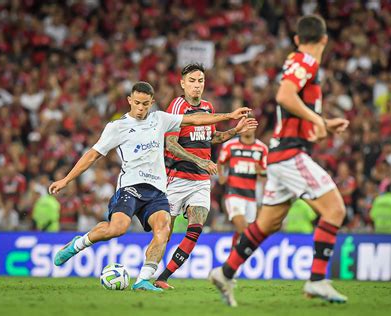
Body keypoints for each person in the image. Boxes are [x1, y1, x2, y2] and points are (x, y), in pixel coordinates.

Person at [49, 81, 255, 292]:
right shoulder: (117, 127)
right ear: (129, 100)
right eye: (137, 103)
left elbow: (195, 119)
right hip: (130, 187)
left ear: (152, 103)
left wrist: (229, 116)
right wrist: (66, 180)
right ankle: (78, 244)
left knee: (163, 229)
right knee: (117, 229)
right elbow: (92, 155)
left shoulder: (160, 119)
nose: (140, 108)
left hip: (156, 190)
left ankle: (143, 280)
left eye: (145, 104)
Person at [209, 15, 350, 307]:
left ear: (298, 38)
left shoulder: (297, 61)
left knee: (266, 225)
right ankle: (317, 280)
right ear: (324, 39)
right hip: (289, 155)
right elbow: (284, 96)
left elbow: (294, 110)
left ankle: (225, 273)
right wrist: (316, 119)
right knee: (334, 210)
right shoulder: (307, 61)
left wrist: (322, 123)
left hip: (280, 155)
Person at [154, 64, 257, 289]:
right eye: (192, 80)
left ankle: (163, 278)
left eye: (200, 81)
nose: (197, 85)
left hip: (201, 181)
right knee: (165, 233)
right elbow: (170, 144)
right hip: (177, 178)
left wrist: (234, 132)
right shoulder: (176, 106)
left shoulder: (209, 107)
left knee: (196, 228)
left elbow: (212, 138)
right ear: (182, 83)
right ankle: (145, 275)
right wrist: (199, 160)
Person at [217, 129, 268, 248]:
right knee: (242, 226)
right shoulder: (230, 145)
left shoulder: (262, 148)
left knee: (245, 232)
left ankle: (233, 256)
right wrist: (221, 176)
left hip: (251, 196)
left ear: (255, 127)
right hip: (233, 194)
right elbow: (220, 162)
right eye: (244, 125)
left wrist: (260, 171)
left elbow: (265, 172)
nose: (247, 129)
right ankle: (236, 257)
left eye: (249, 125)